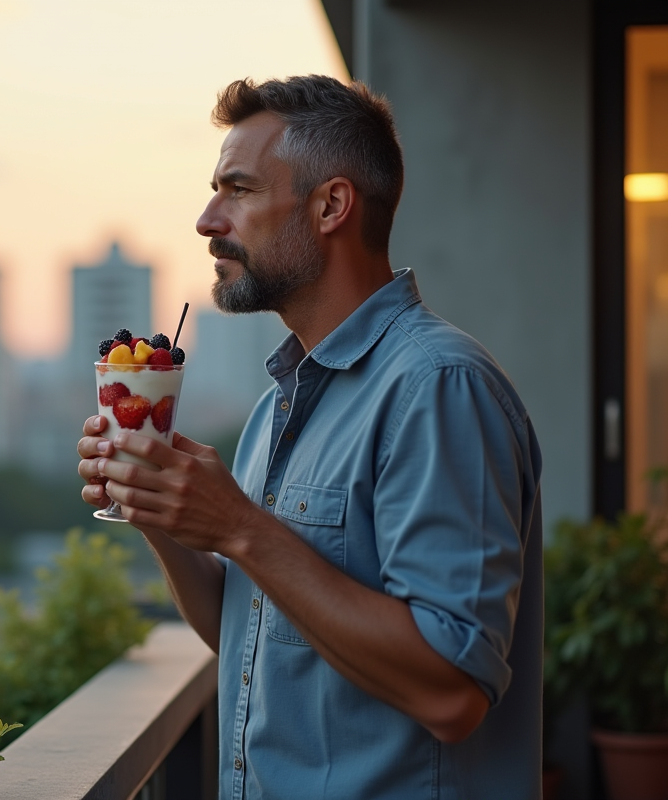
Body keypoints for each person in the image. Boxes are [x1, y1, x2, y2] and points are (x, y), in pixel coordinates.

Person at [77, 75, 543, 799]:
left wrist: (237, 525)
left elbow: (454, 692)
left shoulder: (438, 388)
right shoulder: (277, 408)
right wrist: (160, 510)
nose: (206, 220)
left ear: (331, 206)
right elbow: (247, 633)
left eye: (238, 189)